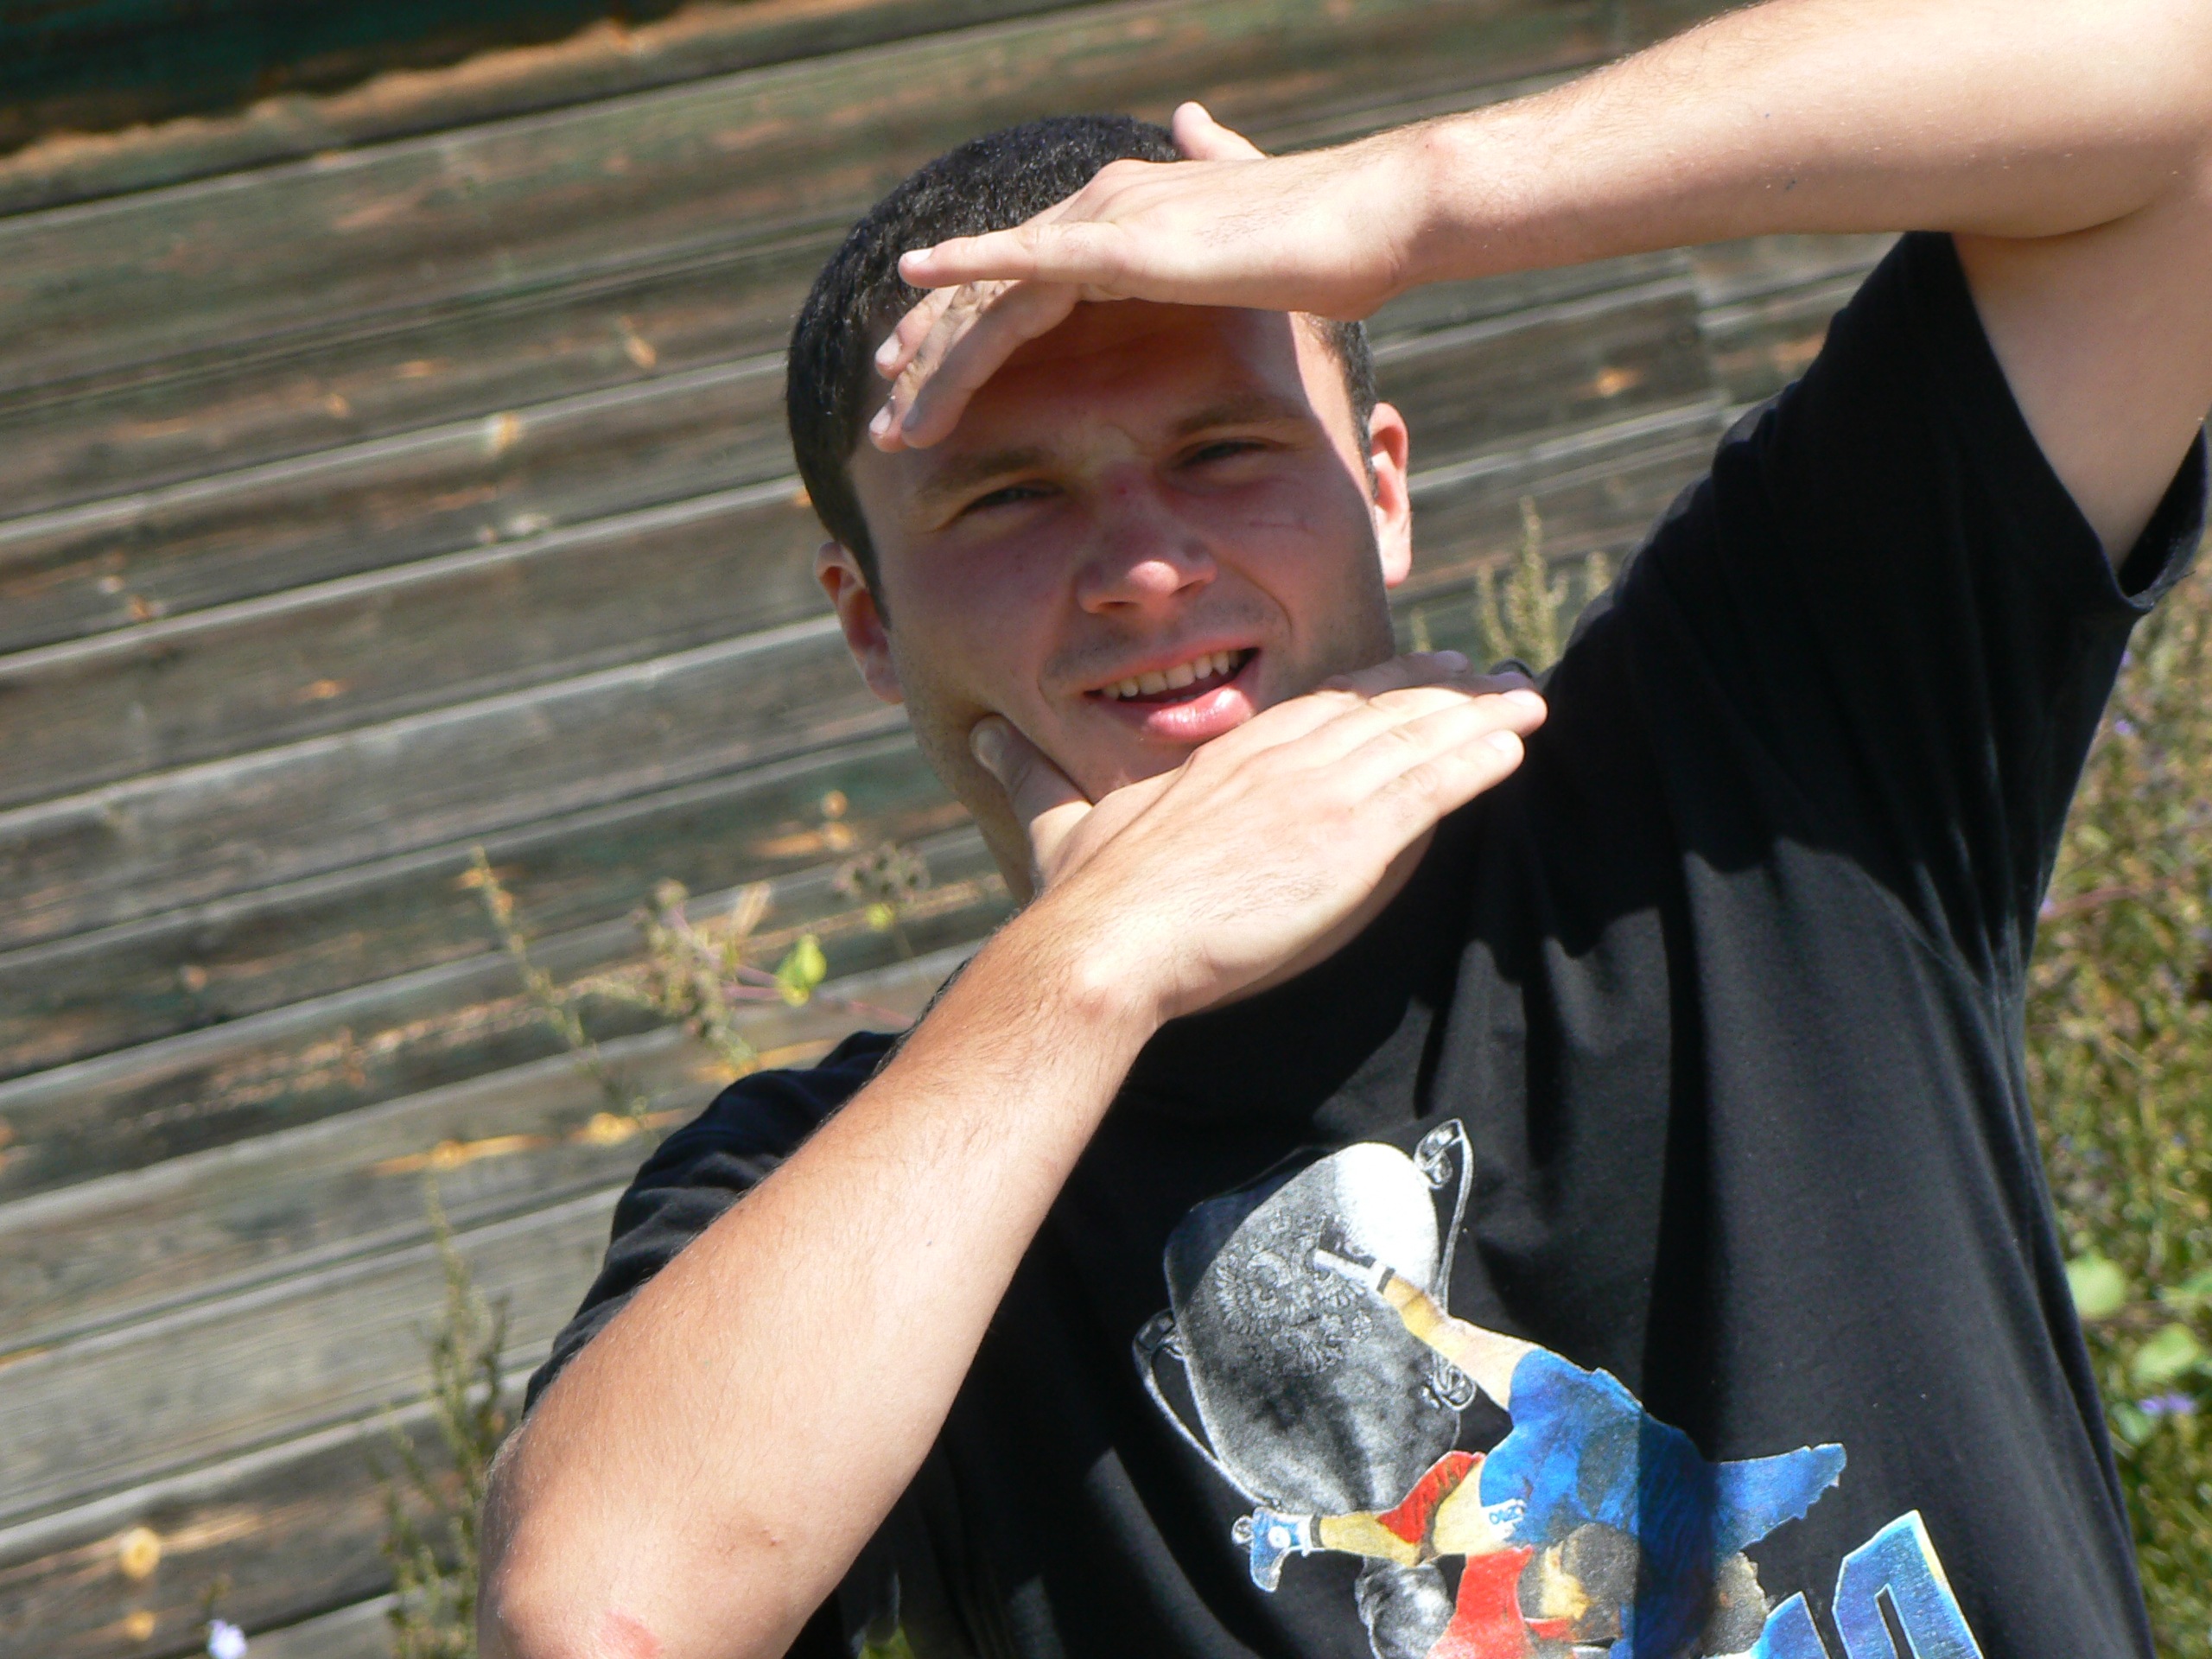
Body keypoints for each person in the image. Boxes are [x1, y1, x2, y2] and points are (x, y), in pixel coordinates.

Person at [477, 0, 2212, 1654]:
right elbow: (601, 1618)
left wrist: (1414, 196)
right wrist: (1095, 960)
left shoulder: (1749, 761)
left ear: (1382, 487)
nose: (1144, 565)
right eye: (1009, 495)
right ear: (868, 624)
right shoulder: (835, 1182)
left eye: (1225, 449)